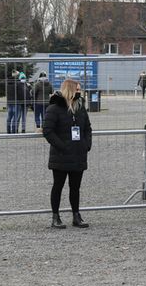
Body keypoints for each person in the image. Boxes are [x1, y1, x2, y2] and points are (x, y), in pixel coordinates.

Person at [42, 79, 92, 228]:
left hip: (79, 154)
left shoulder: (80, 107)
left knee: (75, 187)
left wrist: (86, 144)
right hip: (61, 156)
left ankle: (76, 215)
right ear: (70, 90)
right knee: (58, 186)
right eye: (77, 89)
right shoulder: (54, 108)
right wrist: (62, 147)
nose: (79, 92)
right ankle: (55, 217)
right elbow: (48, 131)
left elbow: (88, 128)